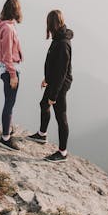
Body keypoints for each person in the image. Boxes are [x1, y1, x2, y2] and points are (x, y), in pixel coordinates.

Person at [28, 9, 73, 162]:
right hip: (53, 82)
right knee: (43, 104)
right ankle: (42, 135)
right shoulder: (58, 38)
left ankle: (62, 152)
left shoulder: (62, 44)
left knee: (61, 117)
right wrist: (46, 79)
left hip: (60, 85)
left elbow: (61, 72)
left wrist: (53, 95)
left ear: (51, 24)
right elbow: (53, 65)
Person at [0, 0, 23, 150]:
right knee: (9, 103)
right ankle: (6, 137)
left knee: (9, 101)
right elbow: (7, 55)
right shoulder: (8, 28)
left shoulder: (4, 25)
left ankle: (7, 129)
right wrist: (13, 75)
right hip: (10, 69)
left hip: (5, 68)